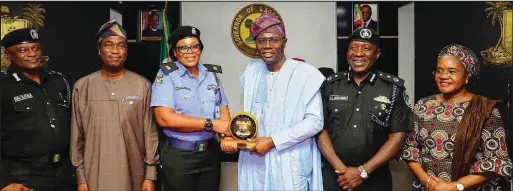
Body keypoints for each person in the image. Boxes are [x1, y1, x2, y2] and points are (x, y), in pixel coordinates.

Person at [220, 13, 325, 190]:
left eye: (274, 39)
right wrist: (232, 137)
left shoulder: (305, 74)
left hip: (290, 162)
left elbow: (315, 122)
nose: (267, 46)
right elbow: (250, 118)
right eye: (261, 41)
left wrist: (274, 141)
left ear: (285, 41)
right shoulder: (252, 72)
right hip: (256, 161)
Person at [402, 44, 512, 191]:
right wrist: (427, 181)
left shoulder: (486, 110)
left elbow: (498, 162)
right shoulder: (423, 105)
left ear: (467, 76)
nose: (443, 76)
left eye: (452, 71)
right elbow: (411, 149)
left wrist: (455, 186)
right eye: (439, 70)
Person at [317, 27, 413, 191]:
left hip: (375, 179)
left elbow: (398, 137)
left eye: (366, 48)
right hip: (335, 177)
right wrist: (341, 169)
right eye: (353, 47)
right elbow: (320, 129)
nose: (358, 53)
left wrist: (363, 171)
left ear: (377, 54)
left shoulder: (393, 88)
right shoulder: (330, 85)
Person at [70, 20, 159, 191]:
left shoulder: (142, 85)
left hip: (134, 175)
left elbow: (150, 133)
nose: (115, 51)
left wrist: (150, 175)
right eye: (109, 45)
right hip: (93, 175)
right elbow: (76, 136)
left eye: (121, 46)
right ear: (99, 50)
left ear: (127, 52)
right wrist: (80, 177)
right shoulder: (83, 87)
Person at [150, 25, 231, 191]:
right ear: (174, 52)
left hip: (210, 155)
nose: (190, 52)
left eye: (195, 46)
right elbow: (164, 118)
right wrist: (210, 124)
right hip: (180, 157)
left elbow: (223, 109)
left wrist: (226, 135)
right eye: (183, 47)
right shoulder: (166, 75)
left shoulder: (211, 74)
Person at [0, 28, 76, 191]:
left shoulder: (58, 81)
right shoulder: (4, 88)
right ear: (8, 55)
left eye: (36, 48)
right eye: (23, 50)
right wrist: (4, 181)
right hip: (24, 177)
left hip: (63, 173)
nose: (32, 54)